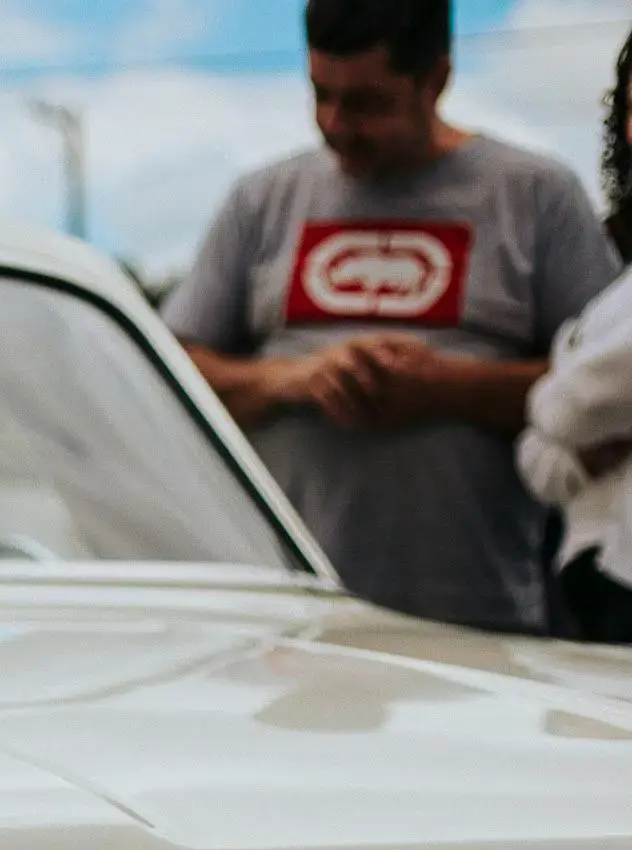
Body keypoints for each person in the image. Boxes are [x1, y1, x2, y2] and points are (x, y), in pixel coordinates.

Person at [164, 0, 618, 633]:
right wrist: (294, 379)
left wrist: (444, 389)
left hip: (478, 619)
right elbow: (165, 377)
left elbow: (607, 396)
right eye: (321, 94)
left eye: (368, 104)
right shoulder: (261, 199)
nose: (336, 123)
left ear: (436, 79)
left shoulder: (536, 195)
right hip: (282, 618)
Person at [515, 29, 632, 643]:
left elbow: (581, 402)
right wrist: (561, 437)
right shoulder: (618, 289)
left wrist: (551, 401)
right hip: (599, 583)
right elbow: (541, 459)